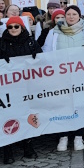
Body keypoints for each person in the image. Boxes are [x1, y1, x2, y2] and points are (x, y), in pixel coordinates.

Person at [43, 6, 84, 152]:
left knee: (79, 105)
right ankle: (64, 136)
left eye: (74, 14)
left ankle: (79, 136)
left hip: (81, 75)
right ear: (64, 16)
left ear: (79, 16)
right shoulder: (54, 32)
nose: (71, 17)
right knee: (63, 106)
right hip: (61, 76)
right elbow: (47, 53)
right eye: (68, 14)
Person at [1, 16, 41, 164]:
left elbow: (42, 60)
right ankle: (8, 151)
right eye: (10, 27)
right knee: (8, 118)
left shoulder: (31, 42)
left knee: (27, 115)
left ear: (22, 28)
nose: (13, 29)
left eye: (16, 27)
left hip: (27, 87)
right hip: (8, 88)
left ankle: (28, 147)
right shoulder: (2, 43)